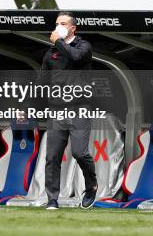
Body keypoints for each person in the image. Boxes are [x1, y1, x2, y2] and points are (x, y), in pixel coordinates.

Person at [43, 11, 97, 210]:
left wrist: (58, 41)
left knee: (79, 153)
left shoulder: (83, 46)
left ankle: (91, 185)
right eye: (57, 23)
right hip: (57, 111)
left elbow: (74, 57)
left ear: (73, 28)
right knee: (52, 156)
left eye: (63, 23)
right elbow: (42, 81)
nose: (59, 26)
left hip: (79, 108)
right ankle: (52, 199)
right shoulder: (51, 53)